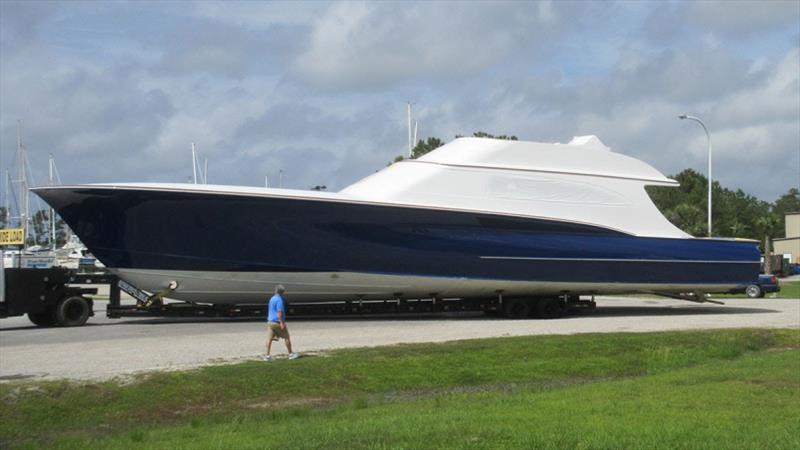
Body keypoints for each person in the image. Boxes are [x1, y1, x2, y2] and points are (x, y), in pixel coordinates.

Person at [265, 284, 299, 360]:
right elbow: (279, 312)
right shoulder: (279, 300)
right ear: (282, 292)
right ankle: (290, 354)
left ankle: (267, 356)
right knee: (287, 337)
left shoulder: (272, 298)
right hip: (277, 322)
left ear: (275, 290)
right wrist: (281, 322)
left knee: (269, 339)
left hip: (270, 322)